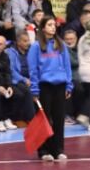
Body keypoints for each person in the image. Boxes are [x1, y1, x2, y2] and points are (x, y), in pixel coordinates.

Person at [28, 16, 74, 161]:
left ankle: (58, 149)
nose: (53, 27)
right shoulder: (36, 47)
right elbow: (33, 70)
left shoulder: (61, 45)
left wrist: (69, 85)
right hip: (44, 87)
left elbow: (67, 66)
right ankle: (44, 151)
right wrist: (35, 90)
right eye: (49, 25)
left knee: (59, 119)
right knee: (44, 120)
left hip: (60, 86)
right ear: (43, 28)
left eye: (54, 25)